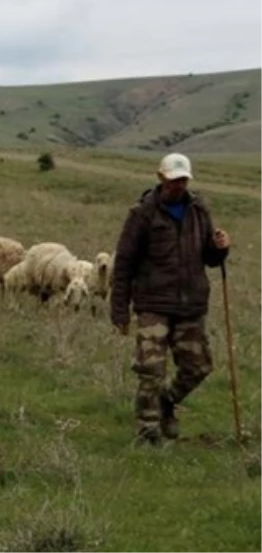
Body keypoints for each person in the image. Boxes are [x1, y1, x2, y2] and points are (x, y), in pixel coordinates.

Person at [110, 152, 230, 445]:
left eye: (183, 180)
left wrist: (221, 248)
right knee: (151, 370)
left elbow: (210, 258)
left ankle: (166, 403)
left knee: (198, 367)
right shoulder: (142, 214)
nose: (179, 186)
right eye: (174, 180)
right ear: (161, 178)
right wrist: (120, 312)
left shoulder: (199, 210)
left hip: (190, 304)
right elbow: (124, 263)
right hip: (153, 303)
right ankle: (148, 432)